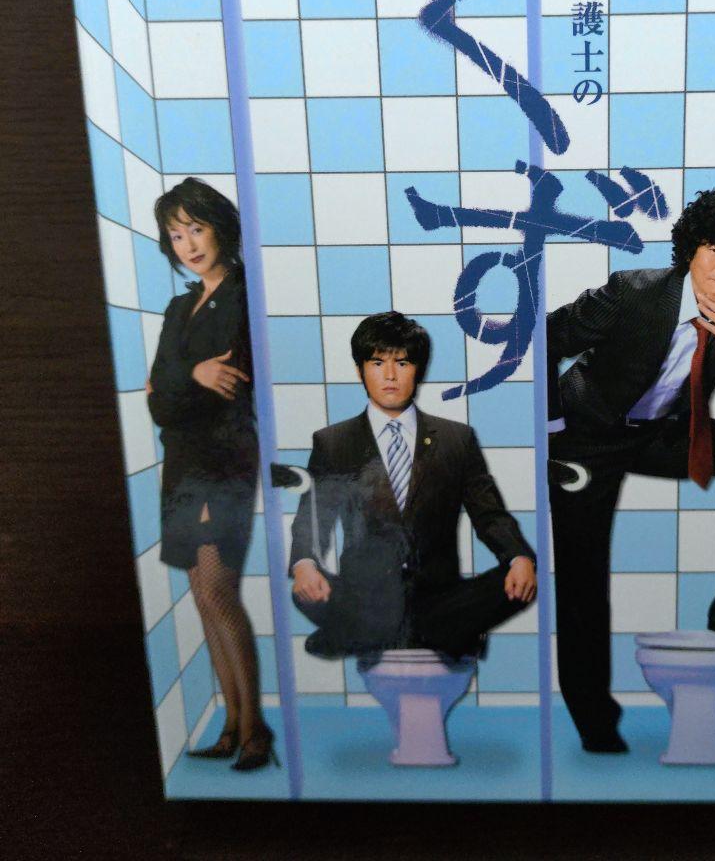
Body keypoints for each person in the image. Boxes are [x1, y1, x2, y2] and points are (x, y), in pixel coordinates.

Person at [546, 184, 715, 753]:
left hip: (662, 434)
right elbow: (544, 339)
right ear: (691, 251)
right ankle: (594, 720)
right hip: (588, 435)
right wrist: (554, 427)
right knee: (583, 576)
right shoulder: (632, 292)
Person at [289, 312, 537, 662]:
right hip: (365, 595)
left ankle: (369, 634)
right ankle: (441, 635)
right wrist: (304, 565)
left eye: (402, 363)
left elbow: (490, 515)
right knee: (305, 589)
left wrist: (518, 557)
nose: (390, 375)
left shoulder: (456, 439)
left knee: (517, 582)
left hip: (439, 596)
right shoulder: (333, 443)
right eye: (377, 363)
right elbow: (314, 518)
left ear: (418, 370)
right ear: (360, 370)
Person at [146, 177, 274, 772]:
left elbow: (228, 385)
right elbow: (158, 399)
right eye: (176, 235)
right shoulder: (179, 307)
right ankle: (230, 723)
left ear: (220, 227)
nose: (189, 245)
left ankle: (254, 732)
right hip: (181, 461)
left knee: (218, 590)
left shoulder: (246, 296)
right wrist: (190, 376)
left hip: (223, 459)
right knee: (201, 595)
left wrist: (178, 383)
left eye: (196, 228)